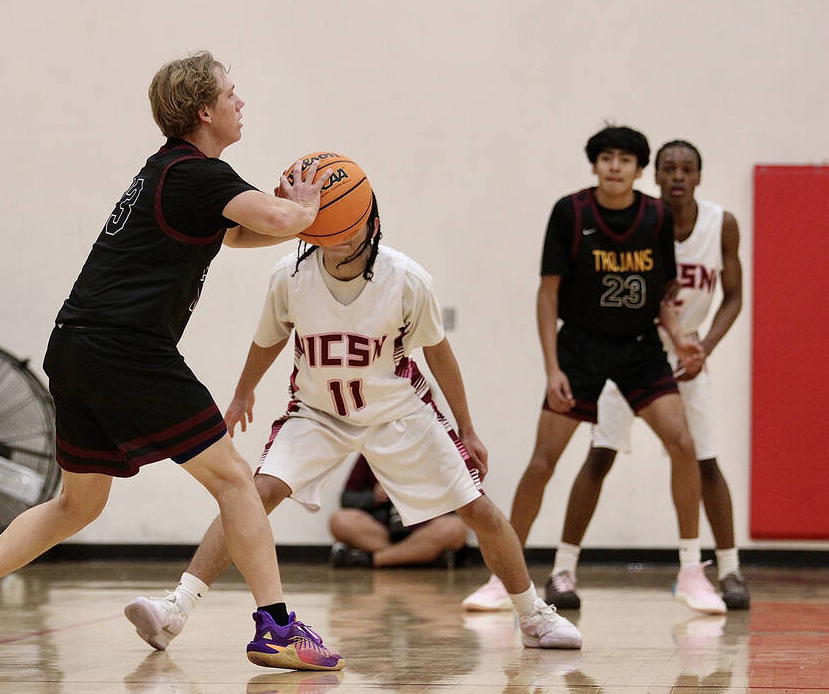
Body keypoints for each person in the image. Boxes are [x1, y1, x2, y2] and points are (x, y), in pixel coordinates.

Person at [0, 51, 344, 673]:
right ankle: (276, 629)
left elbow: (242, 233)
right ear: (203, 111)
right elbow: (269, 216)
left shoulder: (169, 175)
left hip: (75, 346)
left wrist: (302, 224)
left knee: (77, 505)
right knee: (236, 480)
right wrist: (304, 210)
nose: (242, 102)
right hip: (126, 348)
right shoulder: (197, 173)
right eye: (232, 94)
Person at [123, 191, 583, 652]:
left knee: (476, 509)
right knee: (253, 493)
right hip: (317, 411)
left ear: (373, 225)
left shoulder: (406, 278)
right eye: (328, 221)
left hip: (399, 412)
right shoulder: (290, 274)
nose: (339, 233)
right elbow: (270, 338)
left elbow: (439, 353)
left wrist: (467, 427)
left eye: (350, 223)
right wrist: (243, 393)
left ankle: (533, 615)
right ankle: (176, 609)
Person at [462, 125, 727, 615]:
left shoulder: (655, 216)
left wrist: (680, 339)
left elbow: (661, 299)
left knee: (684, 444)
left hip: (640, 347)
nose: (614, 166)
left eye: (625, 159)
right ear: (594, 164)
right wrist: (552, 368)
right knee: (543, 460)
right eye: (606, 157)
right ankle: (505, 578)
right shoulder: (570, 212)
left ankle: (691, 570)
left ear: (639, 170)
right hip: (580, 346)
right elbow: (548, 294)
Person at [542, 140, 747, 610]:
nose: (677, 176)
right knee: (600, 455)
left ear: (699, 176)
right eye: (668, 168)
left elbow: (734, 296)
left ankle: (729, 569)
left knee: (704, 458)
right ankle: (562, 569)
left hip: (688, 351)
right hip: (634, 345)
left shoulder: (721, 224)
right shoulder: (644, 220)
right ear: (654, 176)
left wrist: (701, 349)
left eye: (687, 169)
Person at [329, 455, 467, 568]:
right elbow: (346, 498)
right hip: (382, 529)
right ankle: (421, 558)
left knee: (455, 528)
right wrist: (374, 497)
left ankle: (373, 559)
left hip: (423, 530)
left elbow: (456, 501)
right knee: (339, 521)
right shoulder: (371, 450)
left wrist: (424, 495)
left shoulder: (435, 451)